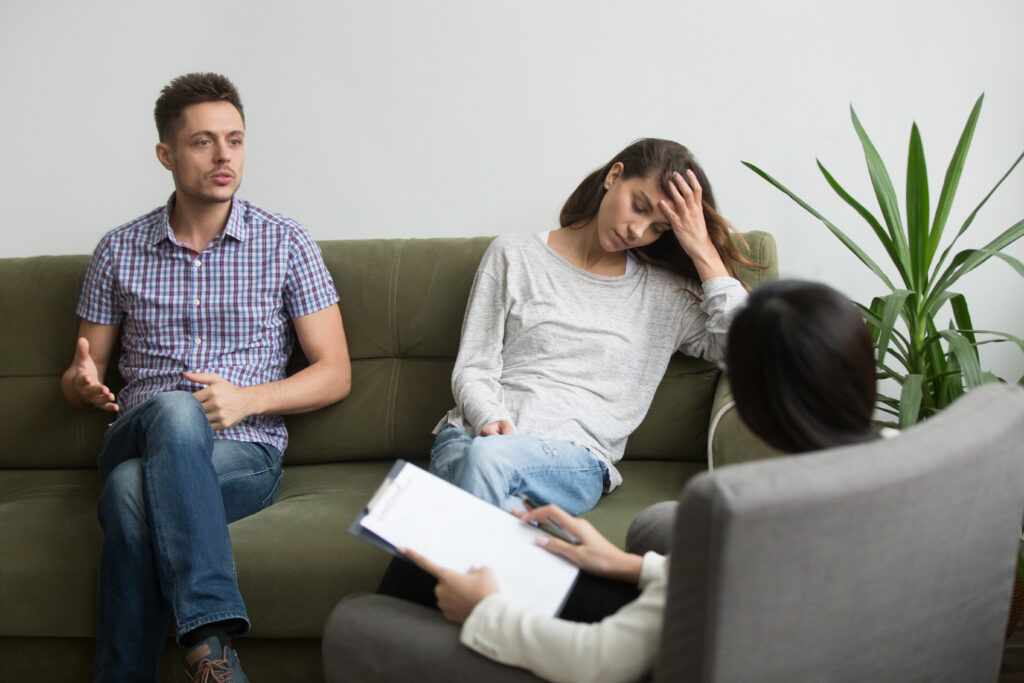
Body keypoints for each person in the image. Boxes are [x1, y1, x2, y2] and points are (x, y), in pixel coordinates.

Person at [401, 279, 880, 683]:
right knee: (642, 534)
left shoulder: (748, 518)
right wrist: (631, 567)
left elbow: (598, 660)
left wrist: (485, 611)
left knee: (361, 618)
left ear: (755, 404)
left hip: (621, 659)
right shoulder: (905, 461)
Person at [61, 73, 351, 682]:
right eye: (203, 142)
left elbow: (335, 373)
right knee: (172, 409)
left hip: (243, 455)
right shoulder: (117, 250)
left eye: (235, 140)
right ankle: (208, 643)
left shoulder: (285, 242)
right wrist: (81, 385)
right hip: (137, 430)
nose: (224, 157)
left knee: (128, 493)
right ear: (166, 154)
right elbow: (79, 371)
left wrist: (247, 399)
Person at [429, 138, 755, 516]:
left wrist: (701, 247)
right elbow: (474, 366)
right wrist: (489, 420)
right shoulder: (513, 254)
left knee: (472, 485)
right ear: (614, 176)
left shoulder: (666, 296)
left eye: (659, 228)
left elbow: (744, 348)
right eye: (639, 206)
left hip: (570, 459)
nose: (638, 231)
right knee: (499, 496)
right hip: (472, 439)